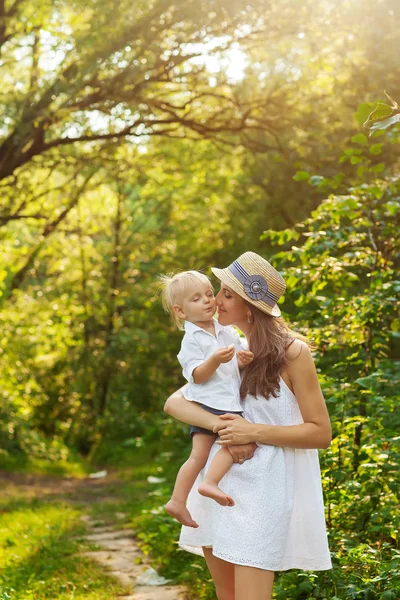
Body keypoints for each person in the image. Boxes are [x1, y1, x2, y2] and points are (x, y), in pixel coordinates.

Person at [164, 252, 332, 600]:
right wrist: (226, 428)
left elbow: (320, 432)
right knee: (227, 595)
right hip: (219, 485)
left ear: (250, 306)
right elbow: (175, 403)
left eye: (226, 294)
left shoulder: (293, 353)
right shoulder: (225, 347)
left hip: (265, 491)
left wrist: (252, 432)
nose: (214, 300)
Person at [159, 270, 255, 529]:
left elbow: (232, 364)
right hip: (211, 402)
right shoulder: (191, 340)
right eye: (196, 298)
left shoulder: (223, 328)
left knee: (203, 453)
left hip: (225, 399)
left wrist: (240, 360)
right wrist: (214, 360)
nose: (207, 301)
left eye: (209, 294)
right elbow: (197, 376)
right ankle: (200, 488)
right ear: (181, 312)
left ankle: (181, 499)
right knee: (223, 445)